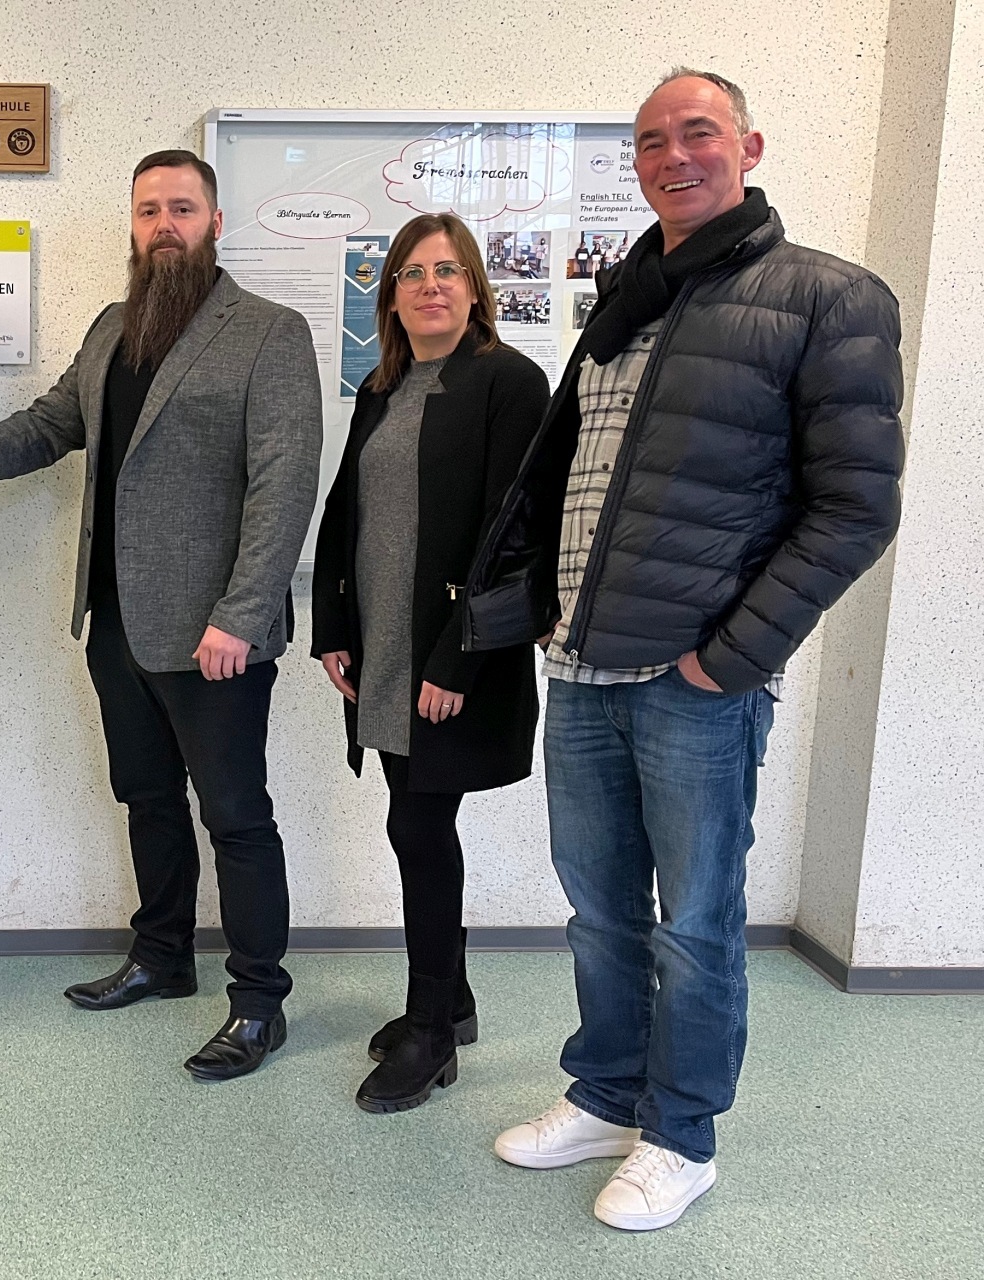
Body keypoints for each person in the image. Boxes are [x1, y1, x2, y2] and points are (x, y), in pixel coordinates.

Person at [467, 70, 905, 1230]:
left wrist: (732, 655)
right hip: (583, 668)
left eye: (698, 132)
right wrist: (548, 607)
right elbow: (578, 474)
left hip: (694, 681)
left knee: (696, 922)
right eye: (652, 140)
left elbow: (856, 506)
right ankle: (607, 1095)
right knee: (598, 907)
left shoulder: (828, 297)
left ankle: (681, 1134)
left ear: (748, 147)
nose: (674, 155)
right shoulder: (626, 301)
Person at [0, 150, 321, 1081]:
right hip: (116, 622)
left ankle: (259, 1003)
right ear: (134, 227)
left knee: (237, 817)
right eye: (149, 210)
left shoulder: (270, 332)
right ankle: (162, 956)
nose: (164, 226)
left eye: (182, 208)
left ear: (215, 223)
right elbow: (50, 424)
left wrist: (242, 613)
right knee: (147, 799)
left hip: (216, 634)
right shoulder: (114, 328)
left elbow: (284, 483)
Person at [310, 213, 549, 1114]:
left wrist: (456, 661)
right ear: (392, 297)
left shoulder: (509, 383)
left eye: (447, 270)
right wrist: (331, 623)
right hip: (382, 646)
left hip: (449, 656)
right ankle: (453, 998)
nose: (430, 286)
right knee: (413, 819)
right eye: (411, 273)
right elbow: (345, 515)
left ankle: (431, 1030)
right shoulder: (384, 387)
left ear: (476, 288)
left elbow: (511, 535)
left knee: (418, 826)